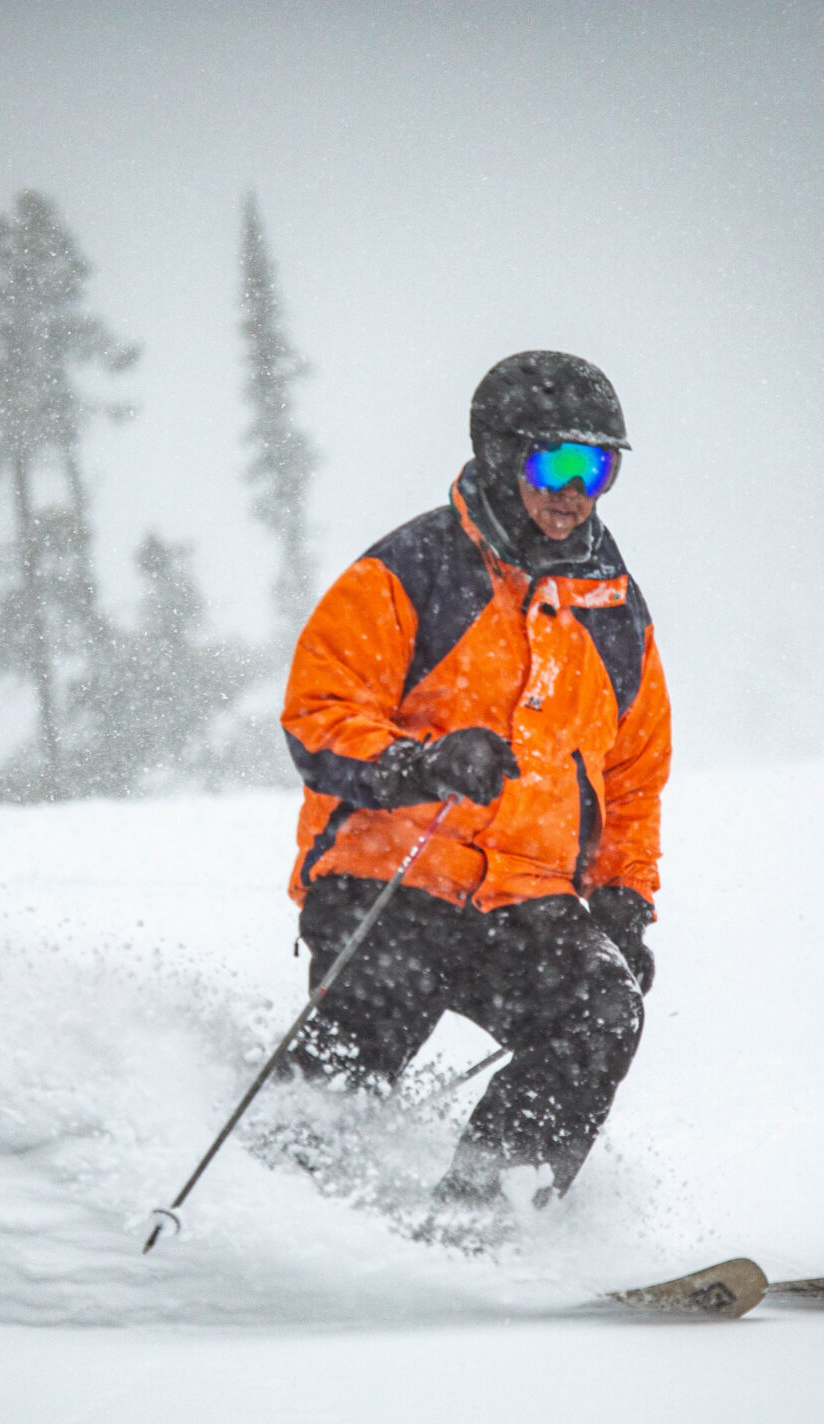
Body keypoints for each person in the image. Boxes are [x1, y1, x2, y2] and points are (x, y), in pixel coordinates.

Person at [278, 350, 670, 1245]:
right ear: (500, 455)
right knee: (366, 1036)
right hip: (391, 874)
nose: (576, 491)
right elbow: (317, 716)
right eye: (554, 464)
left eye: (597, 466)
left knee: (601, 1009)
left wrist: (623, 901)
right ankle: (272, 1219)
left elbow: (633, 775)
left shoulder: (614, 612)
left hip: (525, 894)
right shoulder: (413, 571)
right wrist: (418, 766)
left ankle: (478, 1228)